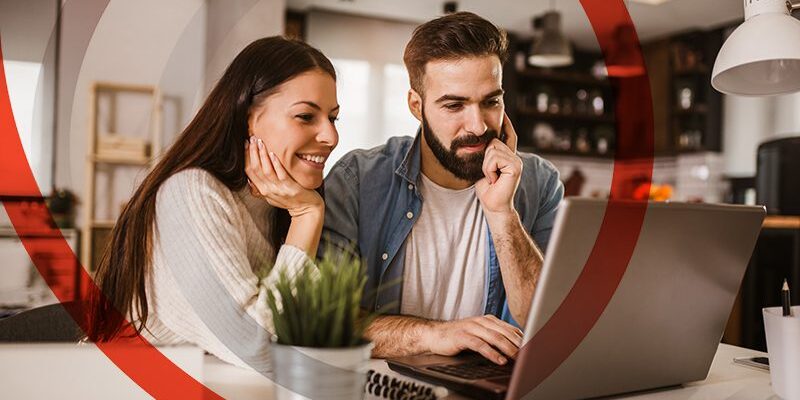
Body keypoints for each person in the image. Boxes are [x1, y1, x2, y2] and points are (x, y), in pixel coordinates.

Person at [322, 12, 564, 366]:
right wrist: (436, 335)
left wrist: (502, 213)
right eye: (454, 105)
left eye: (490, 101)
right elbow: (327, 321)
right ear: (416, 106)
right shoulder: (357, 180)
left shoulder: (538, 181)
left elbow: (551, 324)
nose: (478, 125)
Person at [87, 37, 339, 372]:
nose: (331, 137)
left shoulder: (280, 203)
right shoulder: (191, 193)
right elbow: (256, 348)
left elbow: (309, 335)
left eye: (333, 118)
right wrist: (307, 217)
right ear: (248, 118)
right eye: (306, 116)